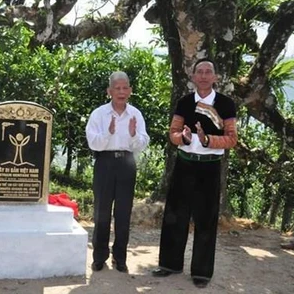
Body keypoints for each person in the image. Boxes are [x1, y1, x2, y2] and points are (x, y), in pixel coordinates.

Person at [152, 58, 238, 288]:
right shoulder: (184, 102)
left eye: (208, 71)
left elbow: (232, 139)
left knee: (206, 219)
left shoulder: (226, 104)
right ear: (192, 76)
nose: (203, 75)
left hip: (209, 167)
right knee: (174, 215)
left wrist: (207, 139)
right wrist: (184, 137)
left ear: (215, 77)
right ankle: (169, 264)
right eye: (199, 71)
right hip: (185, 163)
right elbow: (173, 133)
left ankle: (201, 272)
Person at [86, 71, 150, 273]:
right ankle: (99, 257)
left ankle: (120, 257)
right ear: (109, 91)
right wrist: (109, 132)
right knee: (101, 212)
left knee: (123, 213)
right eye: (117, 88)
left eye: (125, 88)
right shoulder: (98, 114)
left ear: (130, 90)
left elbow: (142, 143)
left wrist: (132, 135)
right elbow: (93, 143)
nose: (121, 92)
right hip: (104, 163)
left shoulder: (136, 114)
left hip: (127, 165)